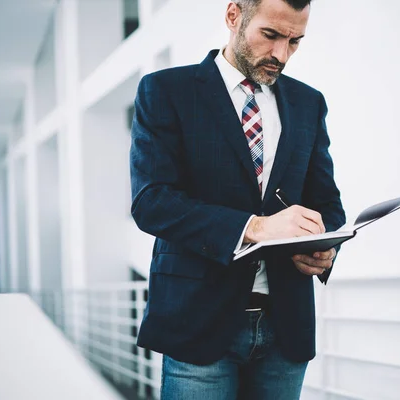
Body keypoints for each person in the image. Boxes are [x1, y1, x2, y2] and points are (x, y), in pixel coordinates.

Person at [129, 0, 345, 398]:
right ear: (233, 16)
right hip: (197, 322)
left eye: (295, 41)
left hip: (286, 327)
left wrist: (323, 246)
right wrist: (257, 228)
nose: (282, 54)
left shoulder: (308, 103)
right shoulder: (165, 91)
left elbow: (327, 203)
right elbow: (151, 201)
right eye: (271, 35)